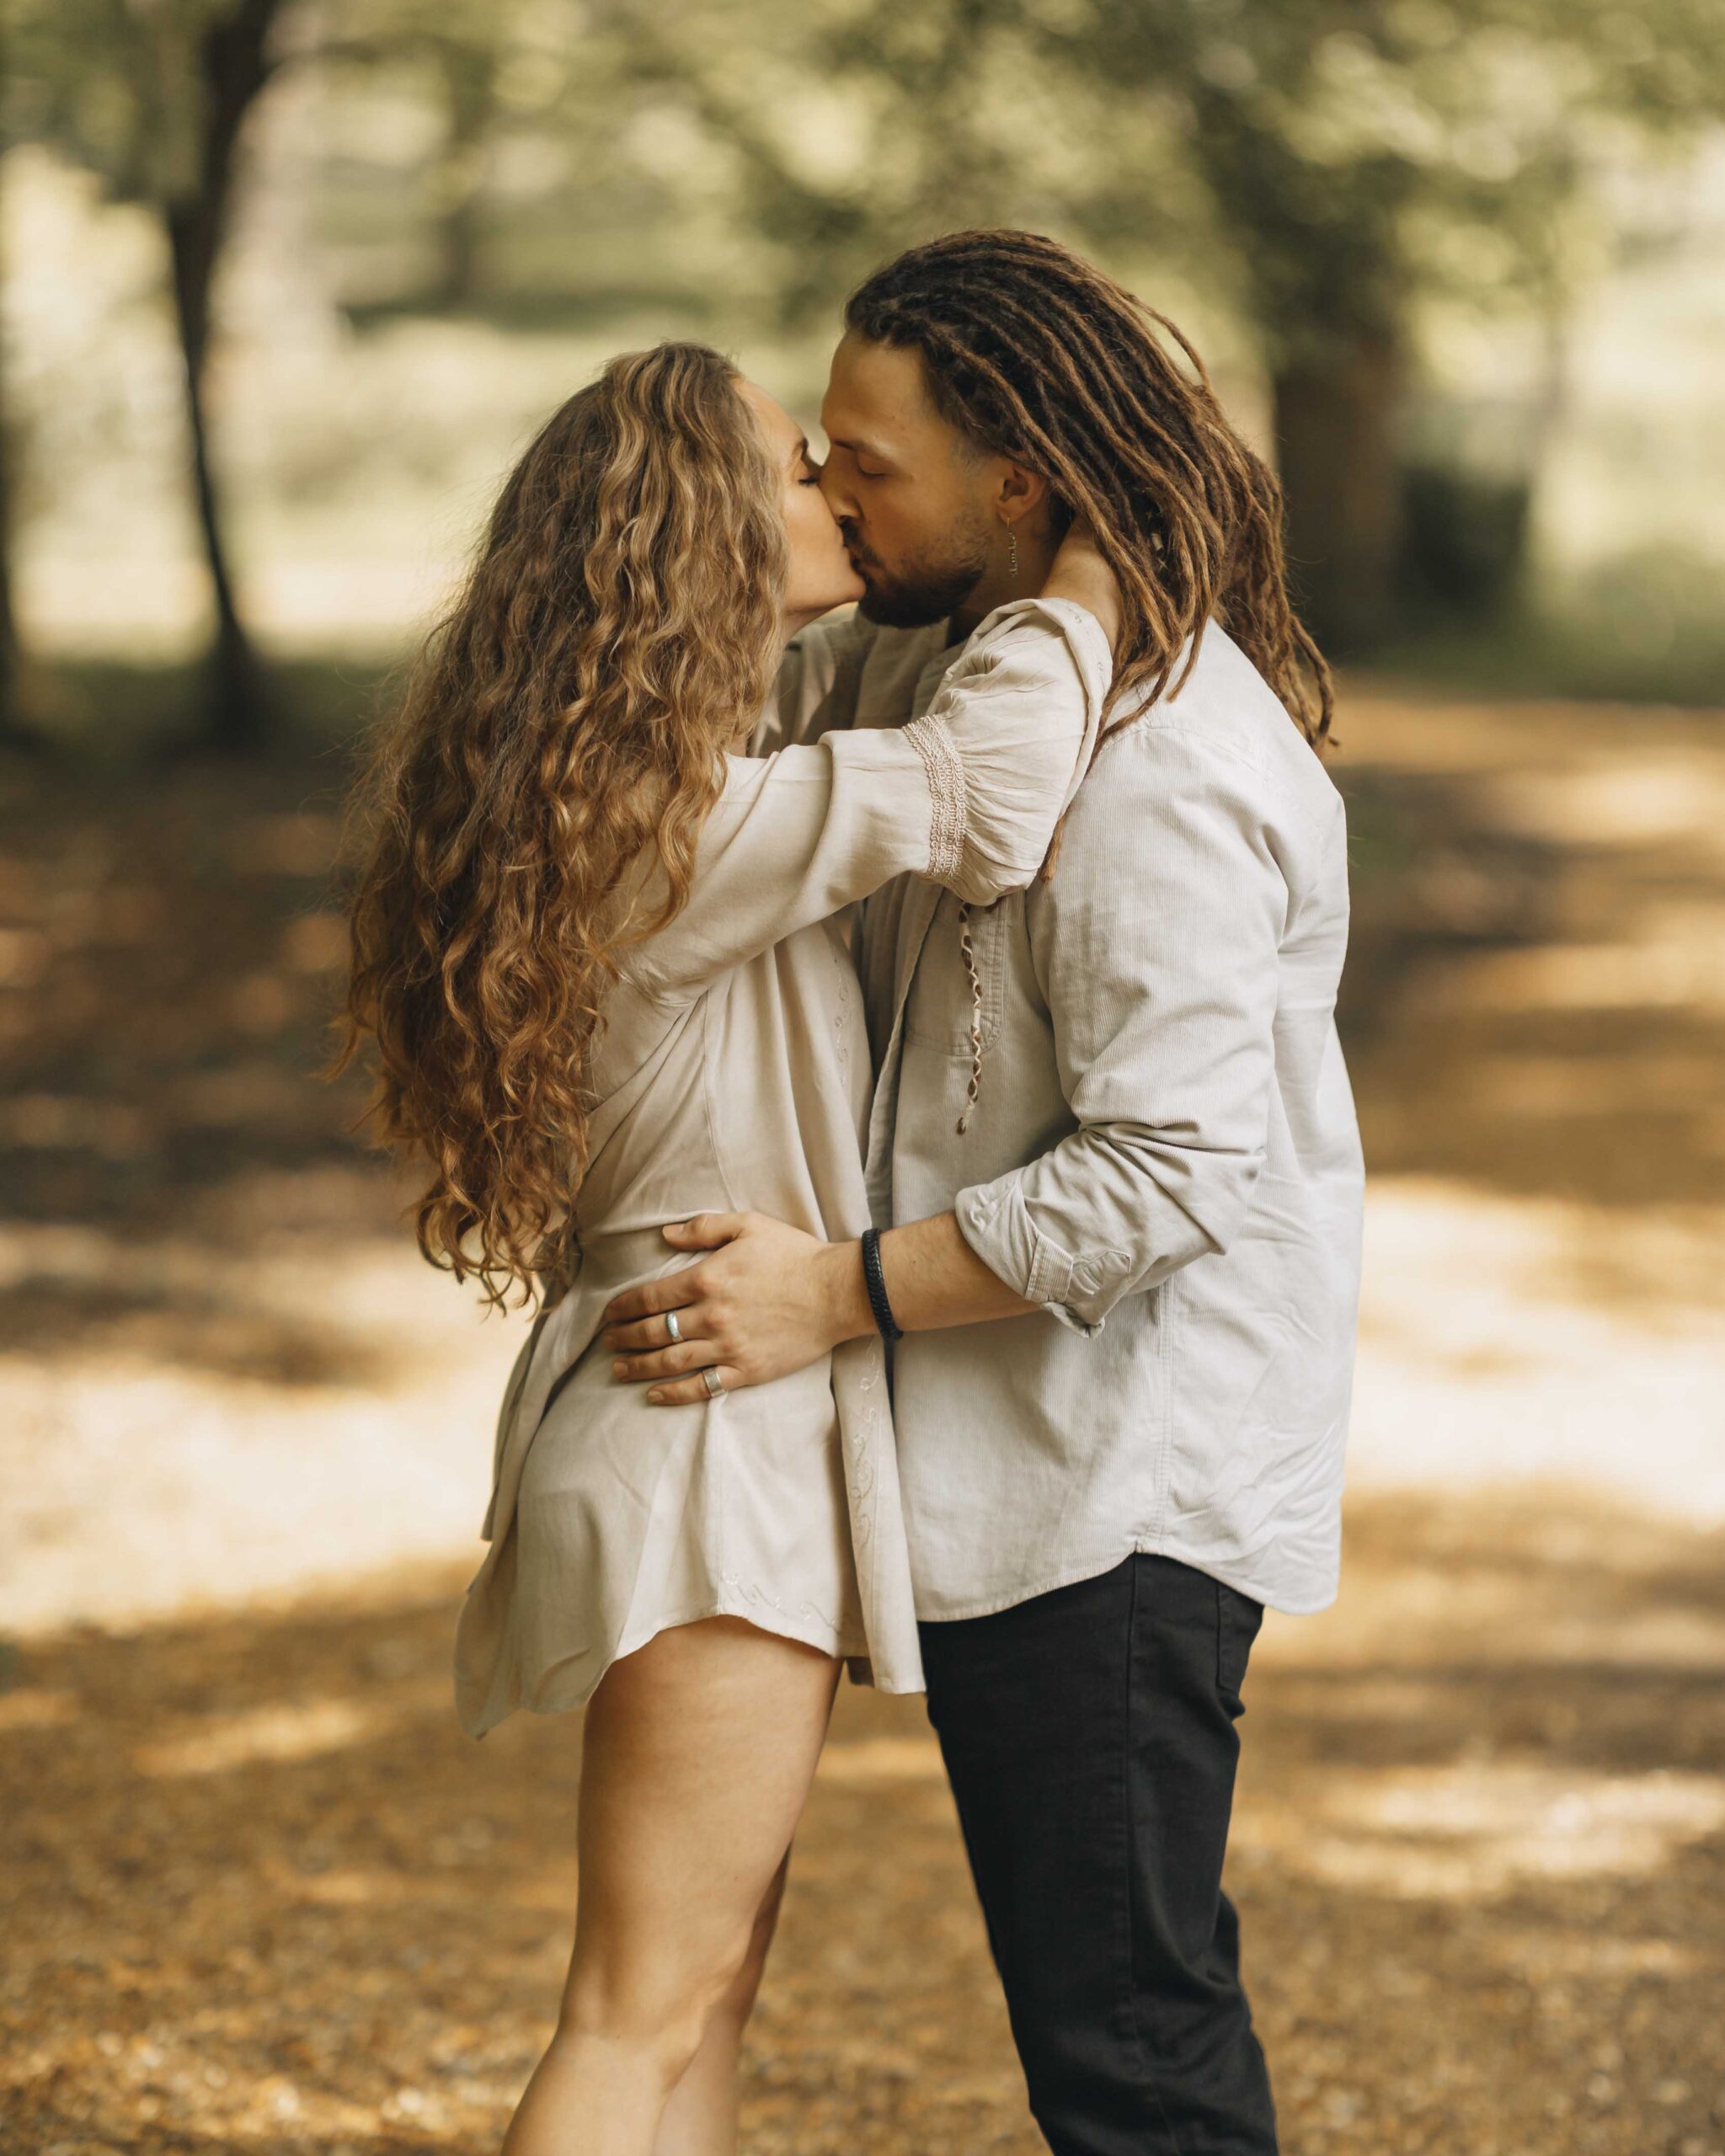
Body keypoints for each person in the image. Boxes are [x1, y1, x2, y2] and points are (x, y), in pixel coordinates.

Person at [601, 232, 1365, 2156]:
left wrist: (836, 1289)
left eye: (865, 457)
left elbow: (1172, 1168)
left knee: (1126, 2039)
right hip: (996, 1446)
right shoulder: (936, 652)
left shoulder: (1164, 768)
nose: (831, 491)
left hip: (1113, 1483)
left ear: (1016, 483)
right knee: (1097, 2015)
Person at [339, 337, 1121, 2156]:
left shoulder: (664, 779)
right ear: (694, 537)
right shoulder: (689, 820)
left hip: (690, 1390)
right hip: (702, 1415)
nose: (832, 490)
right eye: (790, 468)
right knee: (638, 2005)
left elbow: (901, 743)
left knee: (698, 1996)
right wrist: (1094, 552)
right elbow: (990, 790)